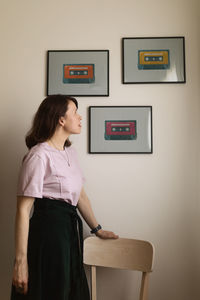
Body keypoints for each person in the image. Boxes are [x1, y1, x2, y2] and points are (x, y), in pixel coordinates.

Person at [10, 94, 118, 300]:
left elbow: (81, 197)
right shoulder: (38, 155)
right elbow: (23, 210)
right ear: (61, 119)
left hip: (69, 233)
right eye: (75, 112)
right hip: (48, 234)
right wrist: (21, 262)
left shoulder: (70, 153)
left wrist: (98, 229)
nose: (80, 118)